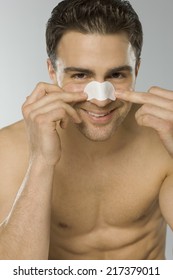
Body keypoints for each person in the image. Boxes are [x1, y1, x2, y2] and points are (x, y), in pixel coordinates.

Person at [0, 0, 173, 260]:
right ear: (52, 71)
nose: (101, 99)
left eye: (116, 75)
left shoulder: (162, 138)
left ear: (136, 70)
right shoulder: (9, 151)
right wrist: (40, 162)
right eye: (80, 75)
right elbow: (14, 274)